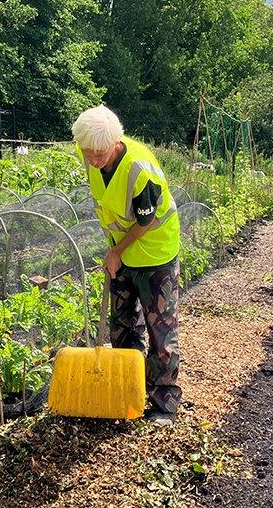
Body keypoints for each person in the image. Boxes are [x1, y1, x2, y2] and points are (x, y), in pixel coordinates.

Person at [72, 104, 181, 425]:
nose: (93, 159)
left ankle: (164, 404)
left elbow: (144, 222)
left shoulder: (139, 168)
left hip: (154, 254)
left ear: (115, 142)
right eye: (87, 152)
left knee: (160, 328)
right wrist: (115, 252)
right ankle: (126, 391)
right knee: (121, 325)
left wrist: (116, 252)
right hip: (121, 251)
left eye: (99, 154)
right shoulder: (92, 155)